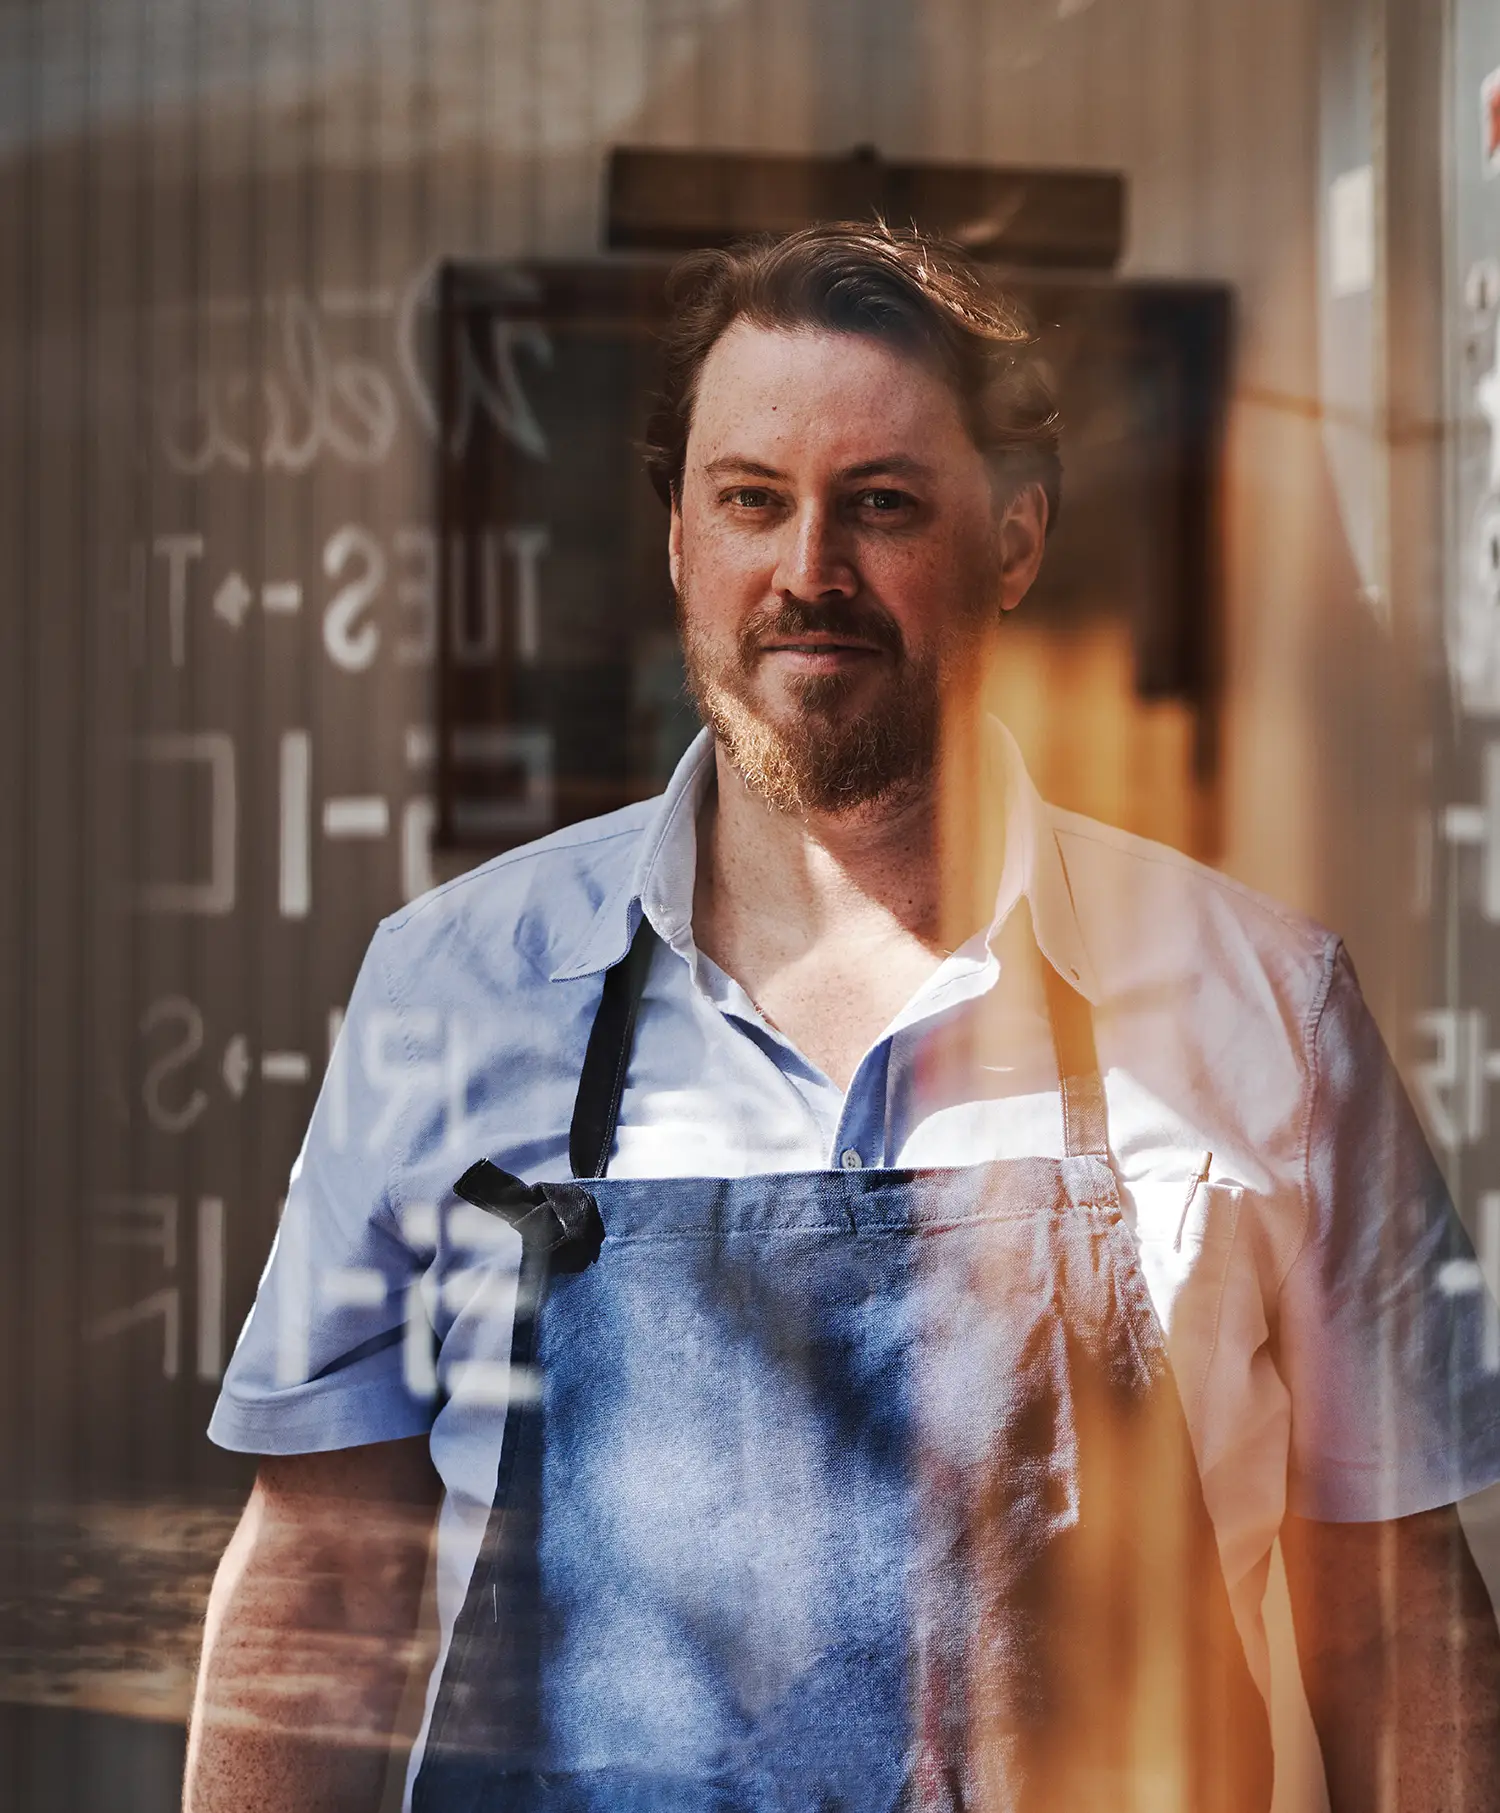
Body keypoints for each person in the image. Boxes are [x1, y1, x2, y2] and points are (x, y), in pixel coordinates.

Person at [184, 223, 1500, 1812]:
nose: (808, 570)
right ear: (678, 538)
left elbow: (1394, 1626)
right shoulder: (454, 989)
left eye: (881, 504)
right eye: (751, 500)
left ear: (1013, 540)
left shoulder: (1270, 1016)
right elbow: (321, 1583)